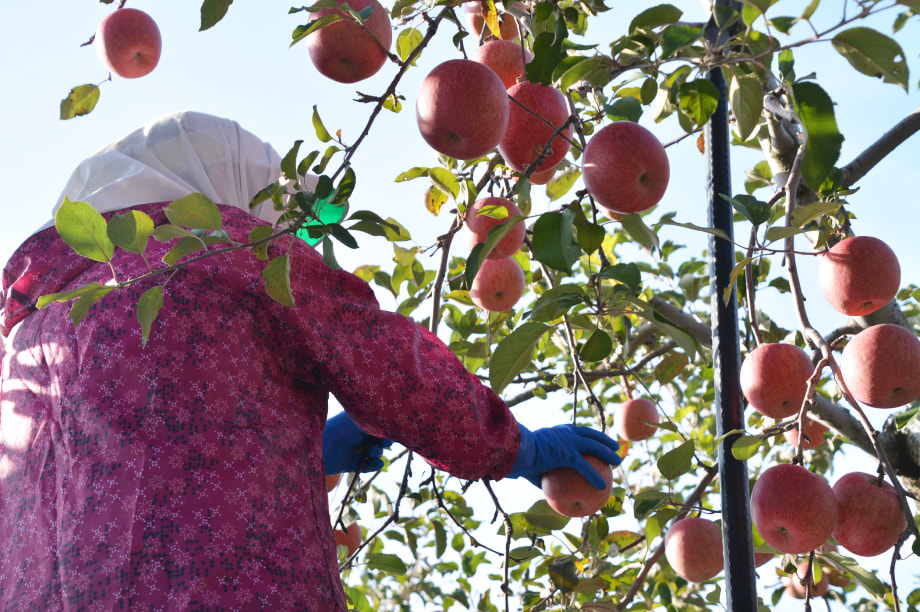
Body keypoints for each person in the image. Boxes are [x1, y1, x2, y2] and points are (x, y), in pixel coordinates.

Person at [0, 111, 621, 610]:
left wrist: (292, 451)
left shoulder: (33, 332)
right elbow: (388, 364)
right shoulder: (225, 254)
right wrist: (510, 446)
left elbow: (124, 447)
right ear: (233, 189)